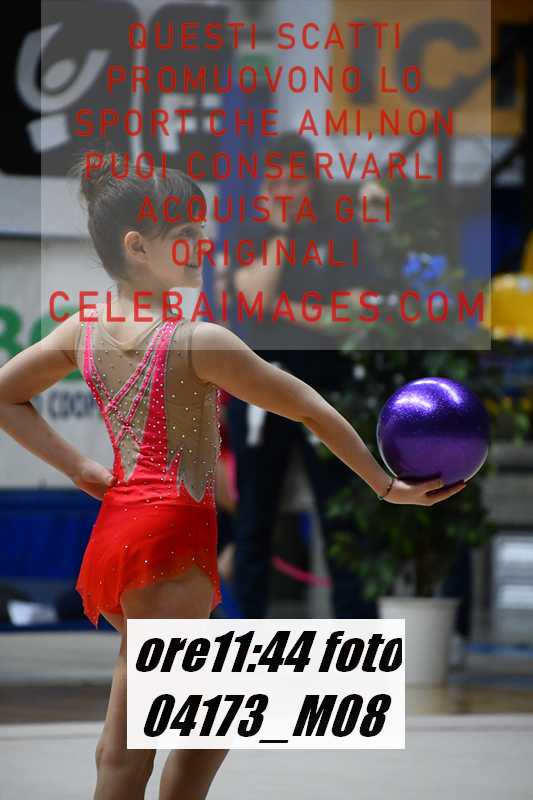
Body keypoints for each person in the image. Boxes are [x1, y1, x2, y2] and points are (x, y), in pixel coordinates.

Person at [0, 150, 466, 800]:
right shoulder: (198, 341)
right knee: (126, 751)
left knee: (207, 723)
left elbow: (6, 395)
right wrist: (385, 485)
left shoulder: (83, 330)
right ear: (137, 247)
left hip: (129, 535)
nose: (202, 246)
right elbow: (306, 405)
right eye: (184, 235)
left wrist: (78, 467)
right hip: (166, 547)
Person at [225, 131, 382, 618]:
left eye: (294, 181)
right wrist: (282, 234)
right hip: (261, 385)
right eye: (274, 183)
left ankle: (356, 632)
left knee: (339, 512)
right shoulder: (251, 232)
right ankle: (245, 630)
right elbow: (252, 295)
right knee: (255, 514)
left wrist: (283, 310)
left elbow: (355, 314)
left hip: (326, 386)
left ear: (312, 181)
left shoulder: (340, 233)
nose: (284, 192)